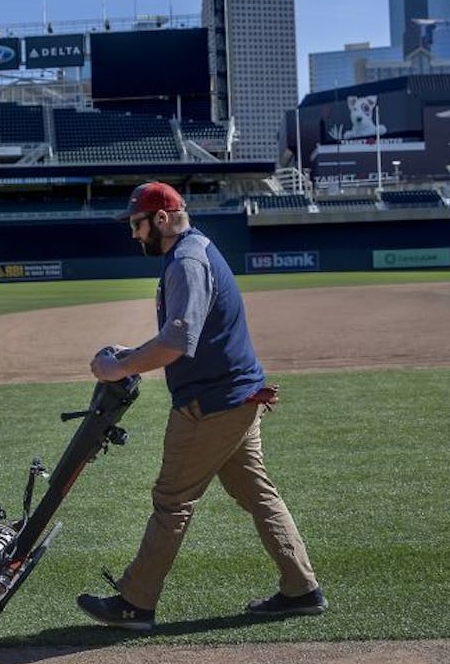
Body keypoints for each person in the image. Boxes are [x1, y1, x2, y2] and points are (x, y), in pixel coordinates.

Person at [78, 182, 325, 631]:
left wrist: (117, 369)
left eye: (136, 224)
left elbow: (178, 341)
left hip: (211, 405)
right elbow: (189, 333)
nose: (134, 235)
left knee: (172, 501)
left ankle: (135, 603)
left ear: (161, 218)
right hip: (240, 396)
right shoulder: (196, 249)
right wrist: (131, 353)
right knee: (257, 493)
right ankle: (301, 588)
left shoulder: (186, 260)